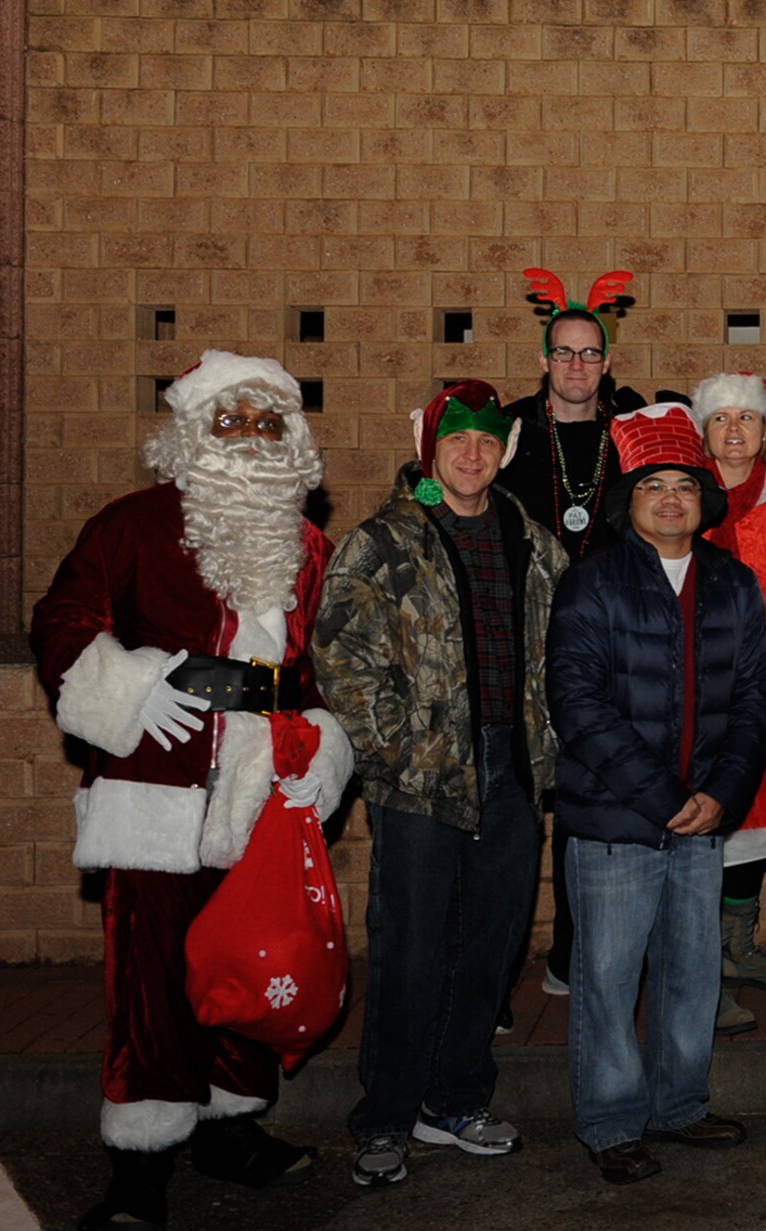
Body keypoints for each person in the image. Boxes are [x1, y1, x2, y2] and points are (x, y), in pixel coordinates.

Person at [31, 351, 353, 1230]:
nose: (250, 438)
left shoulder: (311, 545)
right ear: (190, 433)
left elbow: (321, 670)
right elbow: (62, 621)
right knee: (152, 982)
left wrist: (323, 748)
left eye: (267, 423)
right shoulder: (130, 527)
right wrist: (135, 688)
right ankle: (139, 1165)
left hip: (263, 793)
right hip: (157, 789)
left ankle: (230, 1129)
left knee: (252, 960)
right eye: (230, 420)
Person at [313, 381, 567, 1187]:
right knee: (411, 950)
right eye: (457, 440)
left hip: (513, 770)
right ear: (430, 447)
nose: (472, 454)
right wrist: (395, 748)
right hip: (420, 776)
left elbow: (566, 650)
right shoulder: (384, 540)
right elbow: (341, 655)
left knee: (491, 946)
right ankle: (385, 1116)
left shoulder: (532, 542)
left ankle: (455, 1099)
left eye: (488, 442)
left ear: (504, 452)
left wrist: (551, 744)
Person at [546, 400, 766, 1184]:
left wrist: (721, 792)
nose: (671, 498)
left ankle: (679, 1104)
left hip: (704, 819)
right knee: (608, 977)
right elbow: (575, 703)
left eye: (685, 484)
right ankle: (611, 1121)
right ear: (628, 500)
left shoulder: (734, 583)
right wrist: (662, 795)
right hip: (617, 819)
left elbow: (755, 694)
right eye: (654, 486)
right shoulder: (591, 584)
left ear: (706, 502)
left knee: (692, 969)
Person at [497, 267, 635, 1000]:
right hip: (519, 651)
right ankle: (494, 980)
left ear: (607, 363)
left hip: (605, 652)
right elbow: (428, 485)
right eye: (564, 353)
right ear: (545, 360)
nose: (577, 366)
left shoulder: (634, 428)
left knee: (587, 809)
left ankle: (571, 955)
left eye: (590, 354)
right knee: (516, 818)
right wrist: (420, 478)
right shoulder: (512, 428)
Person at [693, 371, 766, 1035]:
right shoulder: (681, 495)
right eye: (721, 419)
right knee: (703, 815)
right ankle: (701, 963)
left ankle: (738, 943)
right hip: (696, 686)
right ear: (704, 431)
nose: (735, 431)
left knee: (759, 814)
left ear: (765, 430)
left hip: (765, 680)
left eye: (747, 419)